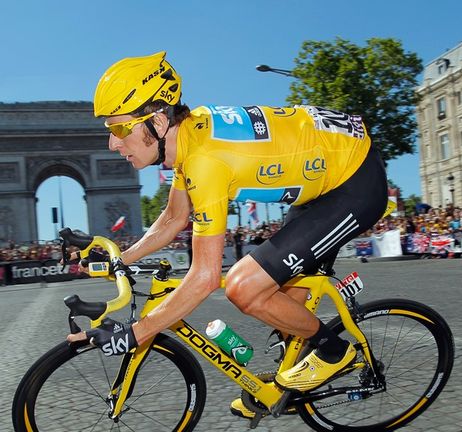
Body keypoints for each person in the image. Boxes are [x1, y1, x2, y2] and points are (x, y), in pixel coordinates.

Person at [75, 52, 388, 418]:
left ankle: (334, 352)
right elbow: (174, 216)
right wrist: (119, 260)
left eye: (119, 129)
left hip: (354, 183)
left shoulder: (205, 161)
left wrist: (137, 332)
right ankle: (289, 379)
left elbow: (206, 277)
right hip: (322, 176)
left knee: (244, 287)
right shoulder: (189, 134)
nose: (113, 143)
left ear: (158, 121)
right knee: (287, 303)